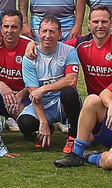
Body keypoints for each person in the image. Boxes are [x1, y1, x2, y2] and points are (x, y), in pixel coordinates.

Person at [17, 16, 82, 147]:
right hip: (43, 104)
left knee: (69, 93)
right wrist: (43, 122)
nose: (47, 35)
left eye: (52, 31)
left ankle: (74, 136)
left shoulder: (69, 51)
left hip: (61, 103)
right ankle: (47, 128)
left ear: (60, 34)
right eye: (44, 31)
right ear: (39, 33)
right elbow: (33, 92)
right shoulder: (29, 58)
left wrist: (44, 89)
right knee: (24, 123)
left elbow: (71, 80)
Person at [0, 10, 33, 120]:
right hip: (0, 93)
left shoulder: (29, 47)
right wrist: (1, 85)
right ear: (1, 28)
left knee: (27, 122)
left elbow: (37, 81)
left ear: (21, 28)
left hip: (23, 95)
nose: (9, 31)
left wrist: (21, 94)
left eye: (14, 27)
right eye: (6, 26)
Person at [73, 5, 112, 100]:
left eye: (104, 22)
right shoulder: (81, 44)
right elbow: (57, 47)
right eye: (96, 22)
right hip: (94, 100)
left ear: (111, 23)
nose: (100, 26)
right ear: (89, 24)